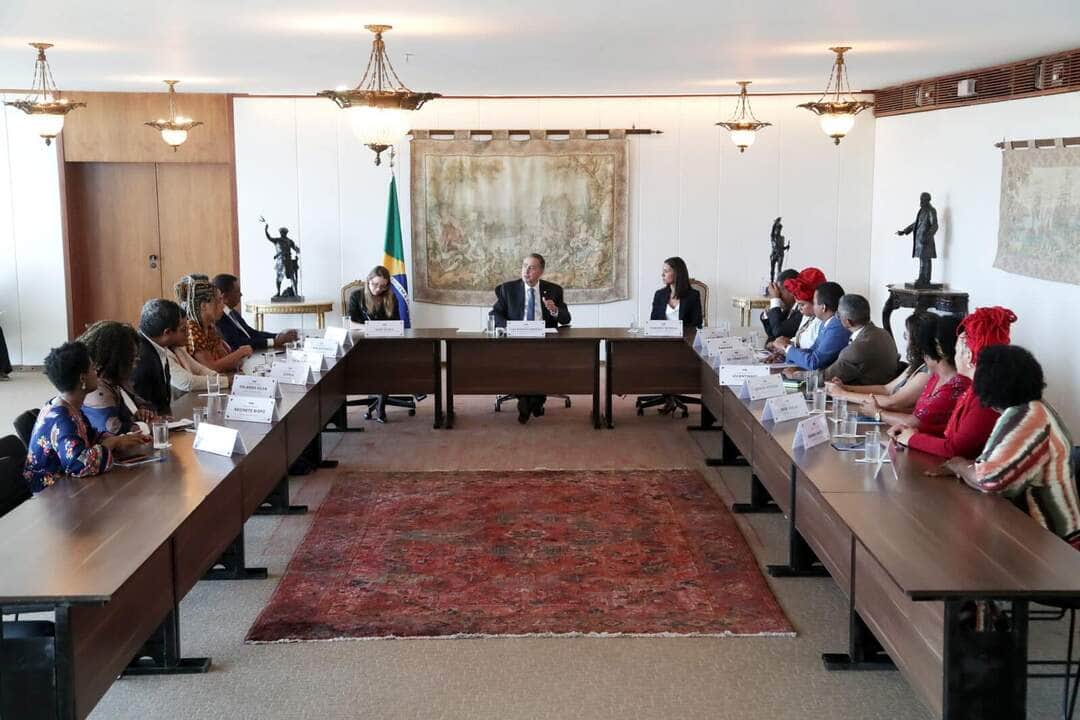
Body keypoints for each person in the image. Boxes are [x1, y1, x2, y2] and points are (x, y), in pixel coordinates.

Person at [939, 346, 1079, 549]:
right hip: (1043, 535)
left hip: (1054, 543)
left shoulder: (1027, 417)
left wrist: (959, 466)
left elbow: (989, 480)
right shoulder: (1035, 407)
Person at [889, 306, 1017, 459]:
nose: (952, 357)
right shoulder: (975, 388)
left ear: (968, 355)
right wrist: (914, 430)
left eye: (956, 351)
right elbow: (960, 433)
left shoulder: (986, 398)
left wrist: (912, 438)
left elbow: (955, 449)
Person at [23, 342, 148, 493]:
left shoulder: (69, 406)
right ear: (82, 379)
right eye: (92, 368)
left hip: (69, 488)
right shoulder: (61, 418)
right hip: (52, 495)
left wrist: (121, 440)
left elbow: (91, 436)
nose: (97, 373)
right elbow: (79, 465)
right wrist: (111, 443)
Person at [491, 253, 571, 424]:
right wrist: (509, 327)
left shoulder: (554, 290)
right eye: (524, 266)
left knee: (540, 362)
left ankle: (526, 403)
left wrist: (554, 310)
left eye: (532, 267)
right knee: (520, 362)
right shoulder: (508, 289)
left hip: (544, 341)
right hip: (516, 341)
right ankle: (533, 402)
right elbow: (495, 314)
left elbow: (566, 319)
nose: (526, 271)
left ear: (541, 271)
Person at [866, 314, 968, 432]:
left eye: (925, 351)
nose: (923, 356)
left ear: (938, 351)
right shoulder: (936, 376)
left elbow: (917, 423)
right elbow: (919, 413)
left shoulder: (956, 385)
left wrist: (878, 413)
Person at [826, 312, 931, 412]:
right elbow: (886, 389)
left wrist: (842, 394)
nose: (906, 341)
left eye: (906, 336)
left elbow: (893, 402)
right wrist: (845, 388)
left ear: (917, 340)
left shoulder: (927, 372)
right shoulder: (918, 364)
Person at [79, 320, 155, 435]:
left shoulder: (116, 381)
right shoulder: (96, 388)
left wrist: (144, 411)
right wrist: (150, 426)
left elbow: (145, 403)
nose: (137, 360)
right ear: (115, 359)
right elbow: (113, 430)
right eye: (132, 357)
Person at [347, 266, 402, 422]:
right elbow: (352, 324)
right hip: (363, 344)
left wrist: (384, 330)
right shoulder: (356, 296)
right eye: (375, 285)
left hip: (386, 343)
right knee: (382, 363)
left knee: (388, 361)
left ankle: (380, 403)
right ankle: (380, 405)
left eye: (383, 286)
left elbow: (397, 322)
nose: (378, 289)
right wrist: (372, 328)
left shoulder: (391, 297)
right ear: (368, 281)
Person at [177, 275, 252, 374]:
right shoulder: (192, 329)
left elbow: (226, 359)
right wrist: (240, 353)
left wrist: (237, 357)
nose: (223, 305)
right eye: (219, 300)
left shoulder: (210, 326)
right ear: (204, 306)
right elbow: (210, 368)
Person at [821, 294, 899, 386]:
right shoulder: (884, 334)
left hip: (862, 396)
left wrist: (801, 376)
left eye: (838, 314)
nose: (836, 316)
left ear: (848, 322)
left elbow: (825, 378)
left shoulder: (856, 350)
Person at [773, 281, 849, 370]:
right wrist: (784, 353)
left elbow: (814, 362)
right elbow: (812, 351)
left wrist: (786, 347)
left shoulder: (837, 327)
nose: (813, 306)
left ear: (823, 307)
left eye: (814, 302)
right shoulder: (827, 323)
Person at [212, 273, 297, 351]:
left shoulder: (232, 312)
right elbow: (238, 343)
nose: (241, 294)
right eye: (237, 291)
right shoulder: (220, 318)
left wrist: (279, 336)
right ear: (225, 297)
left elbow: (251, 332)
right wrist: (274, 341)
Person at [132, 298, 187, 414]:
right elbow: (142, 406)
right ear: (167, 333)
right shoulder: (141, 358)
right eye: (183, 330)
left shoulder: (157, 346)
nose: (187, 333)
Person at [767, 267, 827, 353]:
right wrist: (783, 345)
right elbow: (798, 341)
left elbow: (813, 355)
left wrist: (786, 348)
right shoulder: (807, 315)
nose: (799, 307)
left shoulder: (822, 322)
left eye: (802, 304)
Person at [650, 256, 702, 329]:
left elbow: (697, 324)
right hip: (663, 338)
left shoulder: (693, 295)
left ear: (677, 273)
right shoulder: (659, 295)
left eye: (666, 271)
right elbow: (653, 322)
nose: (662, 275)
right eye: (663, 271)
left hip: (685, 338)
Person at [759, 268, 800, 341]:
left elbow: (778, 332)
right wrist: (768, 312)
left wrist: (775, 300)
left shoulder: (801, 310)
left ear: (791, 290)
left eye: (779, 292)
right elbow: (772, 335)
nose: (778, 296)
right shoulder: (788, 309)